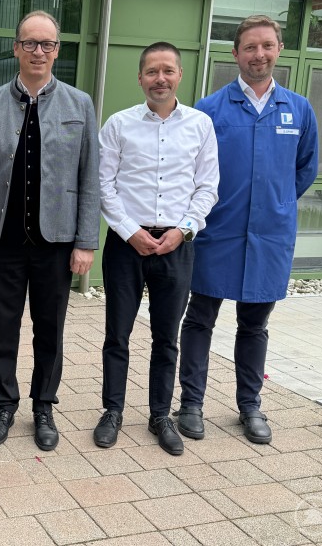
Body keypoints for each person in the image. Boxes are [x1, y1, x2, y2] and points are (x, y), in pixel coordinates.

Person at [177, 15, 319, 445]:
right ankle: (191, 404)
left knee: (254, 325)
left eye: (267, 46)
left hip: (270, 236)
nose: (259, 54)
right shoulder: (209, 110)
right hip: (217, 233)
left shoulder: (299, 109)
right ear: (235, 53)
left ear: (278, 51)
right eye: (250, 47)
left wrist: (271, 205)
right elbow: (193, 172)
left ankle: (250, 406)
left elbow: (304, 169)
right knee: (200, 319)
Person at [0, 10, 100, 451]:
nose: (38, 52)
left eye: (47, 44)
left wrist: (86, 241)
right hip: (4, 243)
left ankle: (43, 405)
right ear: (16, 48)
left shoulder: (79, 104)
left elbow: (90, 178)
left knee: (50, 328)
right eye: (30, 43)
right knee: (3, 327)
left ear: (57, 51)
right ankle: (4, 403)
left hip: (56, 243)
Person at [93, 42, 219, 456]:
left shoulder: (200, 125)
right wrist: (130, 231)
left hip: (176, 245)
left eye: (167, 71)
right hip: (126, 245)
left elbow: (207, 187)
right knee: (118, 334)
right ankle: (112, 411)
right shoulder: (118, 125)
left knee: (166, 338)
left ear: (180, 75)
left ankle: (160, 415)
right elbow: (104, 185)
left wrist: (183, 230)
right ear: (140, 78)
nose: (160, 79)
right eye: (151, 71)